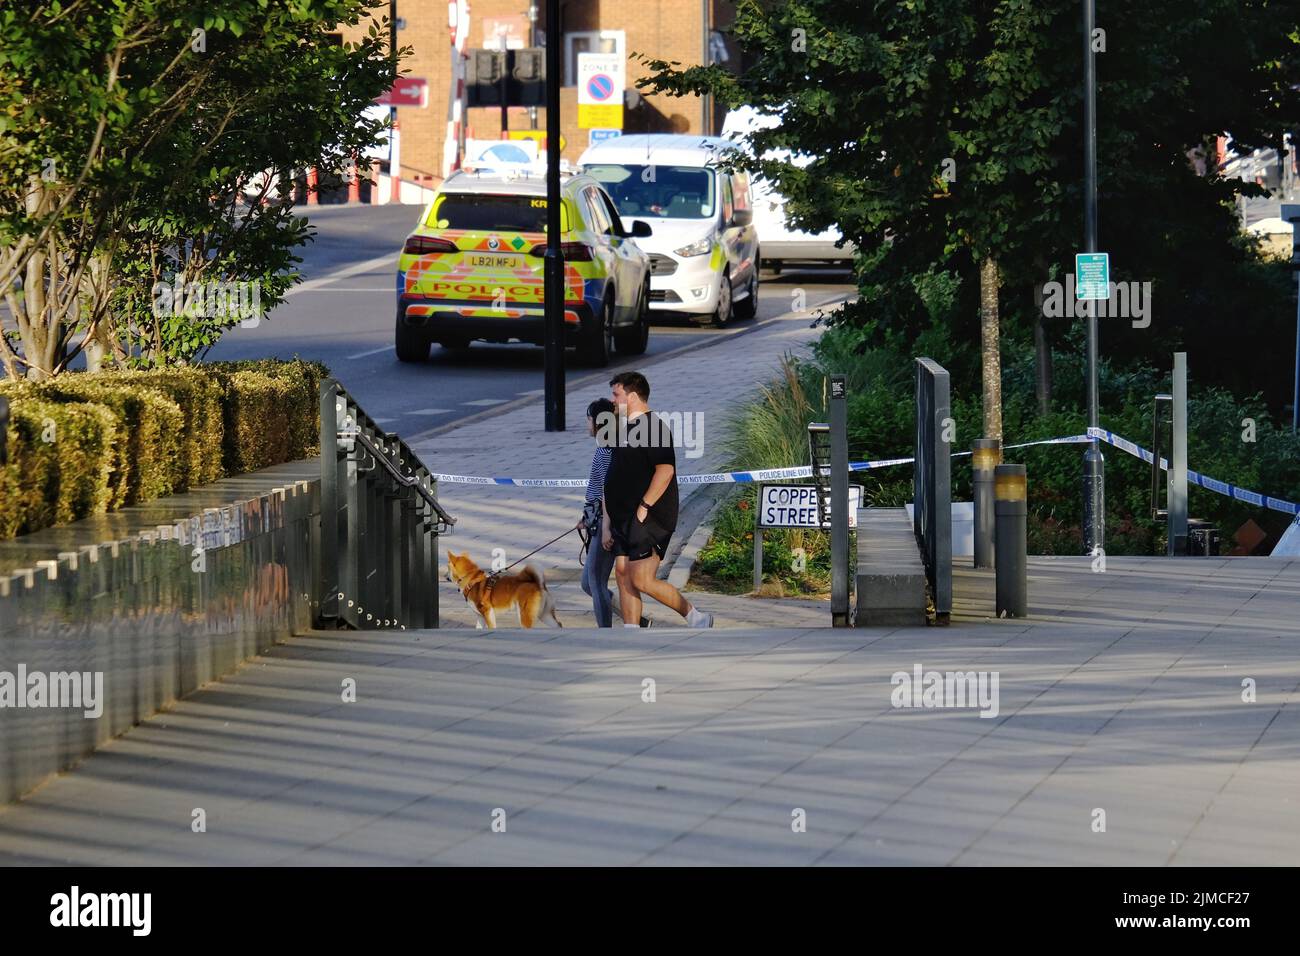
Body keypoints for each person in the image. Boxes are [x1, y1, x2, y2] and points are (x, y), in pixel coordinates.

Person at [601, 371, 713, 629]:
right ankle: (631, 632)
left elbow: (666, 471)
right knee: (622, 574)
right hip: (623, 518)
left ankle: (696, 617)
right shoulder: (621, 427)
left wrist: (643, 509)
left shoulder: (654, 427)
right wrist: (608, 521)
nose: (612, 400)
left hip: (648, 517)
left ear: (632, 396)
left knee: (642, 579)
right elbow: (613, 475)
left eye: (616, 395)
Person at [577, 398, 617, 627]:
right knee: (587, 583)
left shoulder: (606, 451)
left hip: (604, 521)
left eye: (589, 419)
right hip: (596, 518)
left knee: (596, 581)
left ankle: (605, 631)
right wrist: (586, 517)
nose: (587, 423)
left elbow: (608, 491)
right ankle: (636, 618)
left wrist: (605, 528)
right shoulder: (605, 447)